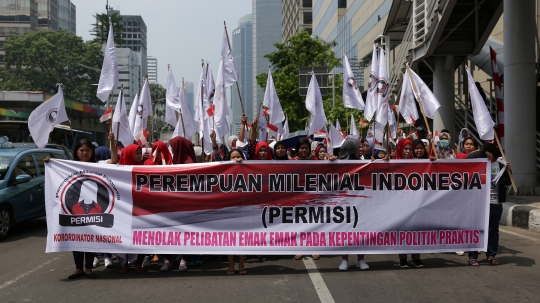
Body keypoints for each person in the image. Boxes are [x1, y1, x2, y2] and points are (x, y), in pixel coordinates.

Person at [466, 143, 511, 266]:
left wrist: (507, 171)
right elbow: (468, 159)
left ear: (493, 153)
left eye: (487, 154)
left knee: (493, 230)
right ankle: (472, 256)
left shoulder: (501, 165)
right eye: (484, 154)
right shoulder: (479, 164)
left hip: (495, 203)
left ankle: (491, 255)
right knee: (476, 229)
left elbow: (508, 183)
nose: (486, 156)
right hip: (479, 203)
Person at [337, 138, 370, 270]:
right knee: (344, 232)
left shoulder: (363, 163)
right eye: (358, 147)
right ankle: (344, 260)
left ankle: (360, 259)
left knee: (361, 231)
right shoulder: (338, 164)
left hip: (360, 203)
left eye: (361, 147)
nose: (361, 149)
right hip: (344, 204)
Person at [226, 148, 248, 275]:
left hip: (243, 210)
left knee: (242, 240)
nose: (235, 159)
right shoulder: (223, 170)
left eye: (237, 156)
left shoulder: (247, 170)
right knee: (229, 240)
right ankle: (231, 266)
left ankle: (241, 265)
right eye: (232, 157)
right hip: (228, 210)